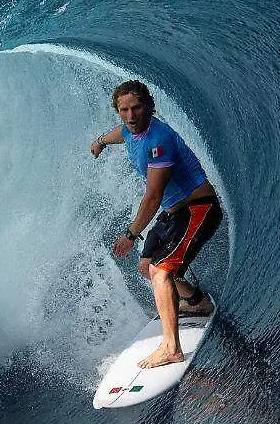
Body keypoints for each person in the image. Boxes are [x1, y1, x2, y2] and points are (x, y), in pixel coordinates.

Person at [90, 80, 223, 369]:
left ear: (149, 106)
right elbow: (120, 134)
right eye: (124, 110)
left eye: (136, 108)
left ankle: (172, 348)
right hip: (174, 214)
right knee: (147, 266)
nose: (130, 115)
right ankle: (196, 302)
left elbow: (152, 198)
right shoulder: (130, 129)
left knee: (162, 272)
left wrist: (130, 234)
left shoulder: (158, 141)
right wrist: (100, 141)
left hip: (199, 209)